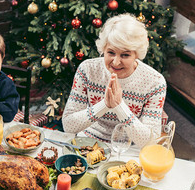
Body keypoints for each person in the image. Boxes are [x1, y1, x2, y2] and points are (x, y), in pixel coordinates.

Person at [62, 13, 166, 147]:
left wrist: (119, 106)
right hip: (87, 142)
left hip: (129, 147)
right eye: (111, 52)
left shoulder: (155, 82)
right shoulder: (87, 70)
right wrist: (105, 104)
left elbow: (150, 142)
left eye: (125, 55)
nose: (116, 62)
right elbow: (68, 126)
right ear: (103, 48)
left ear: (137, 54)